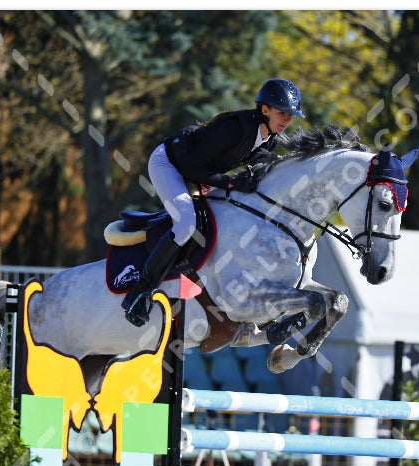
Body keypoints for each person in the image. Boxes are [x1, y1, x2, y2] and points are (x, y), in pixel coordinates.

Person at [122, 78, 305, 327]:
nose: (287, 120)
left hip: (197, 172)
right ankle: (139, 293)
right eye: (282, 113)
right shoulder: (235, 128)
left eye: (291, 115)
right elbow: (191, 166)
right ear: (264, 110)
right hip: (170, 164)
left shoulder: (269, 138)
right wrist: (229, 184)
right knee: (186, 222)